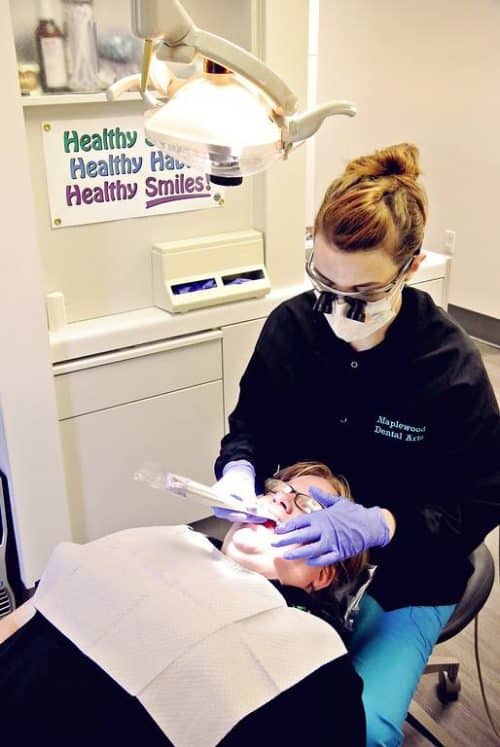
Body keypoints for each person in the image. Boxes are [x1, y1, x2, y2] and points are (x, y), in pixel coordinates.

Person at [214, 142, 500, 746]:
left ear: (411, 266)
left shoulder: (448, 369)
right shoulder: (292, 329)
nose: (337, 310)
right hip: (296, 561)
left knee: (359, 730)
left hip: (408, 575)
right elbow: (249, 427)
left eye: (363, 295)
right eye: (323, 283)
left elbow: (482, 500)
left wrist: (383, 526)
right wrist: (238, 468)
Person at [0, 461, 366, 747]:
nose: (281, 499)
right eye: (278, 490)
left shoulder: (314, 659)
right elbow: (20, 622)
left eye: (310, 506)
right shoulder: (161, 540)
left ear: (322, 576)